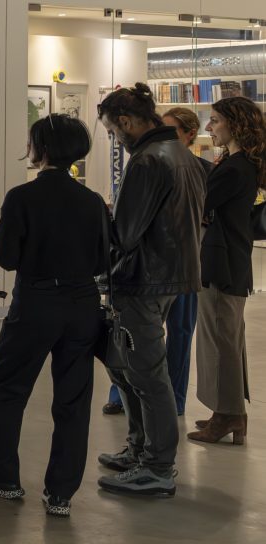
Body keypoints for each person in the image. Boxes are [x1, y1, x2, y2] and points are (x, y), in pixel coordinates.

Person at [0, 114, 107, 517]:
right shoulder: (92, 201)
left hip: (36, 302)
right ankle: (60, 494)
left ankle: (2, 476)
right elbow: (103, 258)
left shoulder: (22, 197)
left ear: (38, 149)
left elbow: (6, 255)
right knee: (74, 400)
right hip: (82, 305)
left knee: (6, 389)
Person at [95, 83, 204, 498]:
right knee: (129, 367)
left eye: (111, 130)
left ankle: (156, 465)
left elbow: (125, 233)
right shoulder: (182, 155)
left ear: (126, 122)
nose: (114, 137)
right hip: (169, 275)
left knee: (143, 371)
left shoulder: (147, 162)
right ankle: (141, 450)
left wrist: (97, 227)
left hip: (145, 278)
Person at [103, 106, 211, 416]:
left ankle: (171, 404)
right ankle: (127, 401)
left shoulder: (190, 167)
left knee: (170, 337)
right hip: (166, 267)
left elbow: (127, 231)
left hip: (170, 267)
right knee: (138, 345)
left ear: (189, 135)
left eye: (172, 129)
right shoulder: (160, 162)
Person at [188, 96, 266, 445]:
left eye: (215, 120)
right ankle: (230, 412)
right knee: (226, 341)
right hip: (230, 261)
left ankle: (228, 415)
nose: (209, 127)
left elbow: (200, 204)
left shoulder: (235, 167)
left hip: (221, 264)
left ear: (234, 124)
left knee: (220, 342)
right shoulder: (240, 164)